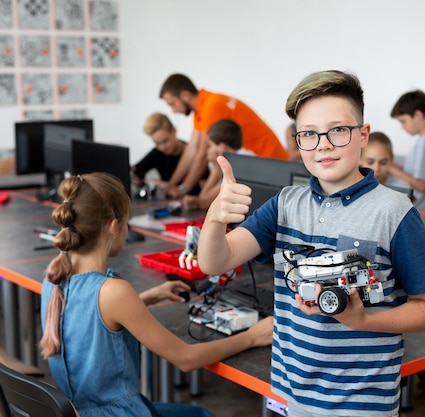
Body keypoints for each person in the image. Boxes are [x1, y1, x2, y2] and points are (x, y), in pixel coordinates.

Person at [196, 70, 425, 417]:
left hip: (361, 404)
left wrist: (362, 321)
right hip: (292, 393)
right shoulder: (284, 205)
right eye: (309, 134)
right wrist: (214, 219)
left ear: (363, 135)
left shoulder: (394, 212)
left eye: (338, 130)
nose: (323, 144)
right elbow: (214, 262)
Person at [39, 172, 273, 417]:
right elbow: (186, 358)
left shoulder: (54, 276)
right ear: (114, 226)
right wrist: (252, 337)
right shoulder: (113, 292)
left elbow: (88, 324)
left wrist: (147, 298)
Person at [159, 73, 289, 198]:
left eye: (172, 104)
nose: (173, 111)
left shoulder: (211, 107)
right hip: (264, 164)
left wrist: (182, 189)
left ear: (185, 95)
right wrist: (171, 185)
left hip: (269, 167)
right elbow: (191, 149)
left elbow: (202, 155)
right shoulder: (203, 107)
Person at [183, 119, 253, 211]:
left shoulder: (236, 166)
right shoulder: (247, 156)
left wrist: (216, 167)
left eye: (210, 146)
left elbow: (204, 202)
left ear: (222, 148)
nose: (207, 150)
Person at [389, 90, 425, 211]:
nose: (402, 126)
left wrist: (391, 170)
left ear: (418, 115)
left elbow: (423, 185)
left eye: (403, 121)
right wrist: (400, 168)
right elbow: (419, 173)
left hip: (422, 210)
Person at [131, 112, 201, 194]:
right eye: (157, 143)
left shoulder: (193, 153)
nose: (162, 147)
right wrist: (152, 182)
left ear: (173, 131)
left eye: (165, 141)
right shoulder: (156, 153)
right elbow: (135, 171)